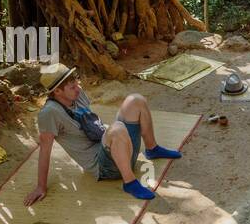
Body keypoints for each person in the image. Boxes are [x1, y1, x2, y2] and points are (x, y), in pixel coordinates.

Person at [26, 64, 183, 205]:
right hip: (105, 168)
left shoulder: (76, 94)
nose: (78, 89)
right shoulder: (49, 113)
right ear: (57, 92)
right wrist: (41, 186)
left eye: (76, 84)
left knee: (136, 100)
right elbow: (45, 151)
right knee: (117, 129)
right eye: (72, 87)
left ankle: (152, 149)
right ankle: (130, 182)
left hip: (121, 151)